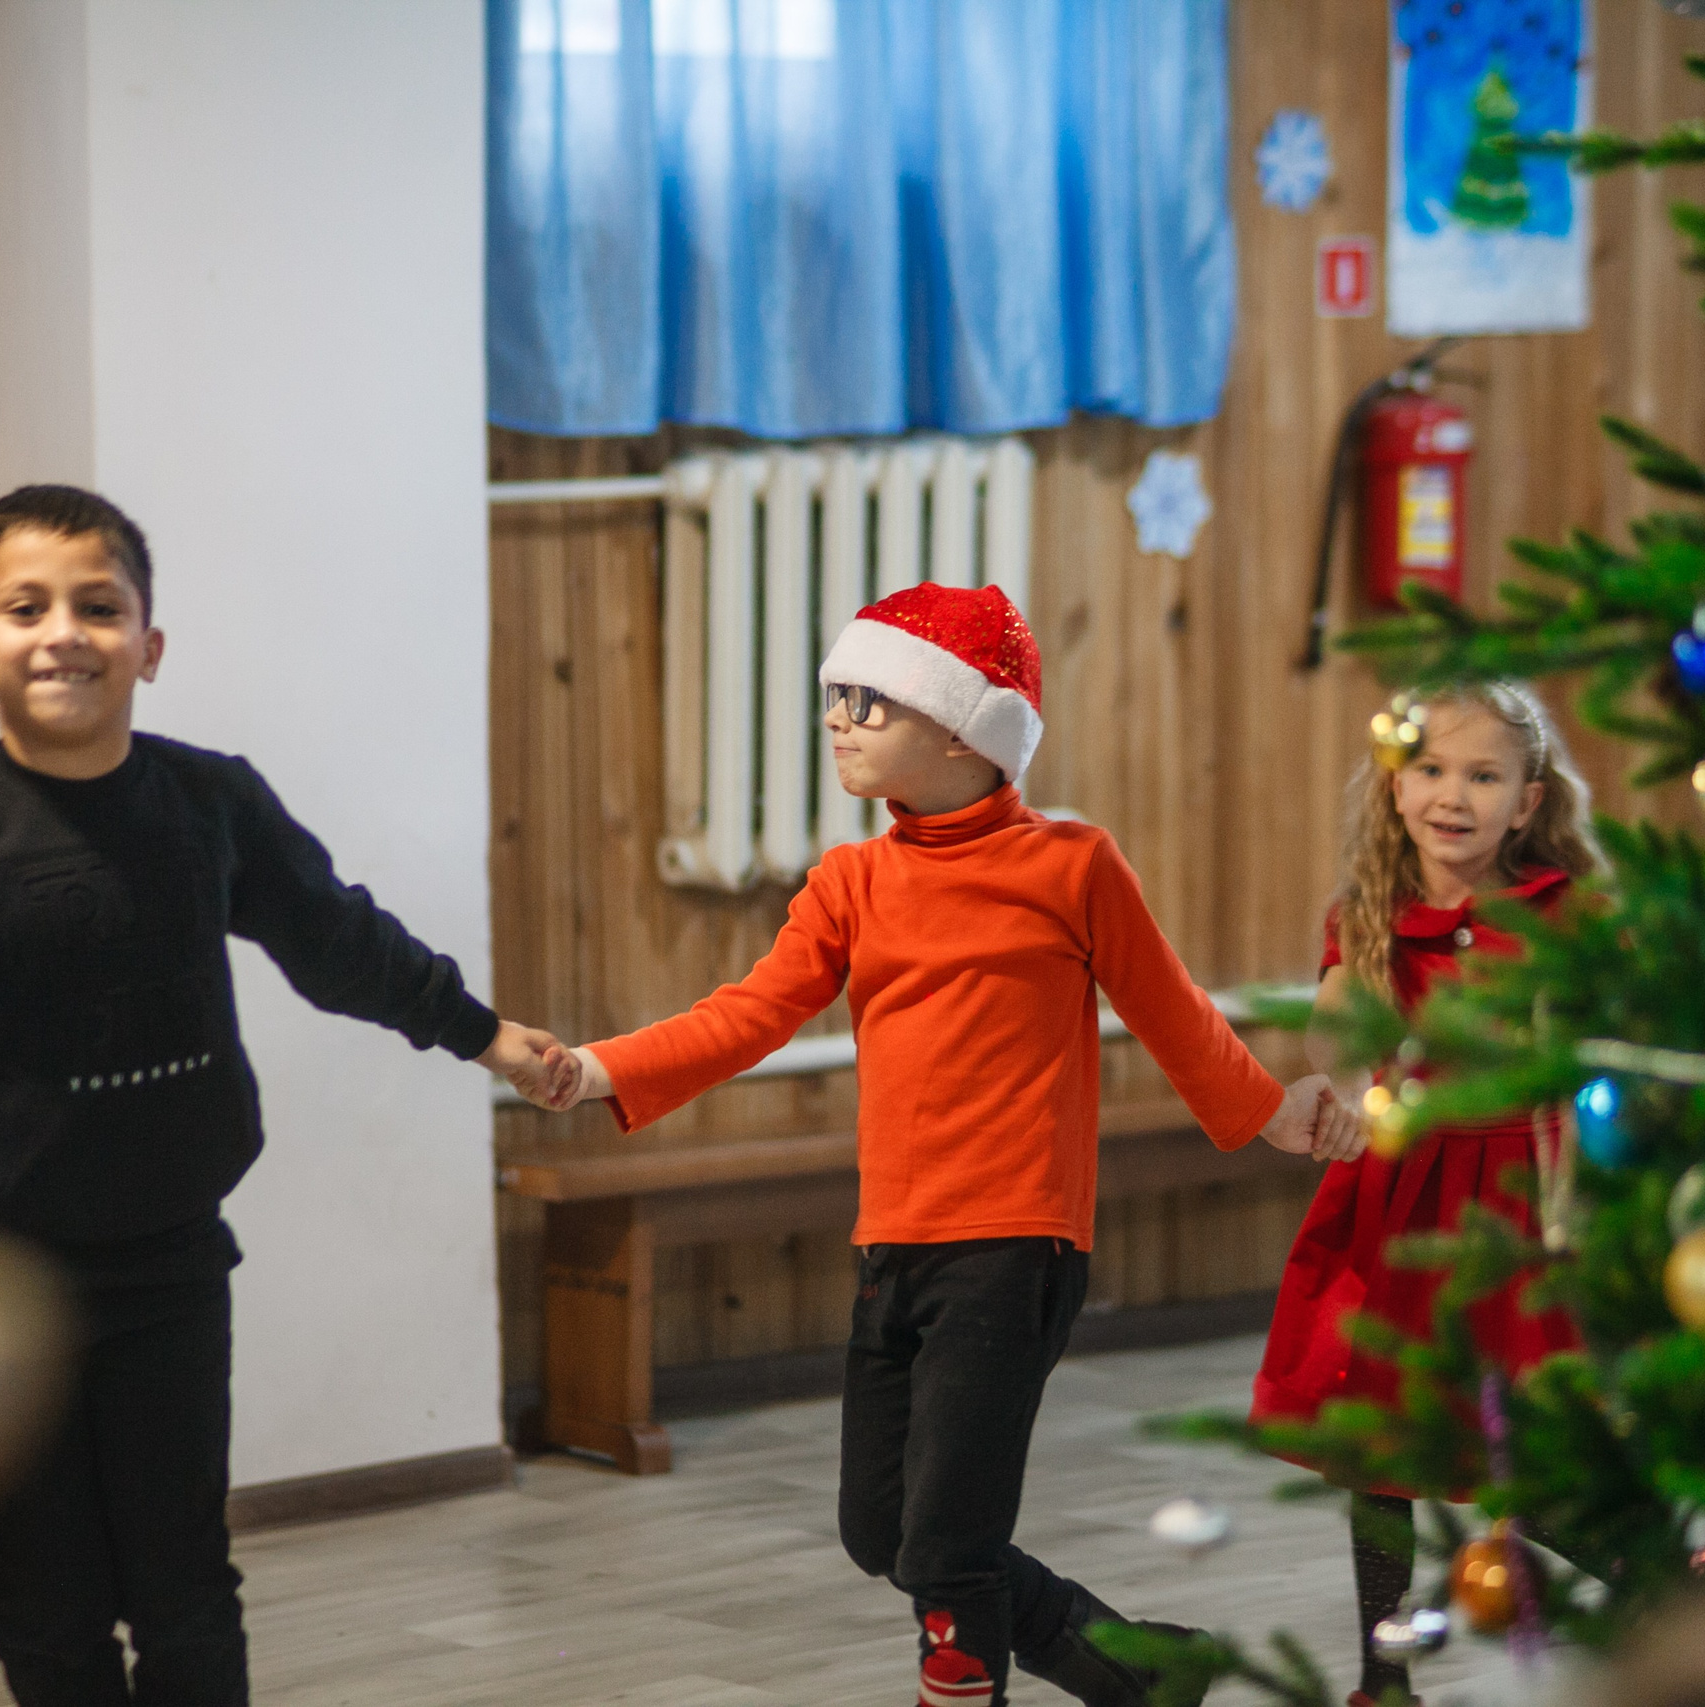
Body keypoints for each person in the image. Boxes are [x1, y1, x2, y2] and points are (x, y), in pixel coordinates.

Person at [0, 485, 564, 1707]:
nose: (64, 631)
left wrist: (483, 1035)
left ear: (149, 644)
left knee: (186, 1588)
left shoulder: (210, 804)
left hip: (171, 1274)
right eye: (26, 607)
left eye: (99, 605)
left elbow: (339, 943)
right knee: (48, 1601)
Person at [528, 582, 1352, 1707]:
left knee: (952, 1551)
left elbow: (1171, 1011)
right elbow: (745, 1015)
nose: (838, 720)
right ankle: (1144, 1670)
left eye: (869, 701)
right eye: (835, 697)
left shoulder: (1072, 865)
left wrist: (1270, 1110)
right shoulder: (850, 883)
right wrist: (599, 1069)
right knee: (887, 1537)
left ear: (964, 726)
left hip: (1014, 1253)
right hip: (892, 1251)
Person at [1249, 681, 1605, 1707]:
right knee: (1382, 1455)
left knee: (1525, 1471)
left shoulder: (1562, 914)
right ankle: (1381, 1681)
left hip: (1509, 1211)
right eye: (1433, 772)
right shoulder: (1368, 913)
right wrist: (1351, 1072)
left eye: (1484, 777)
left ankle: (1671, 1600)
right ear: (1398, 785)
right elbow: (1340, 1030)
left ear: (1527, 803)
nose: (1454, 796)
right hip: (1398, 1208)